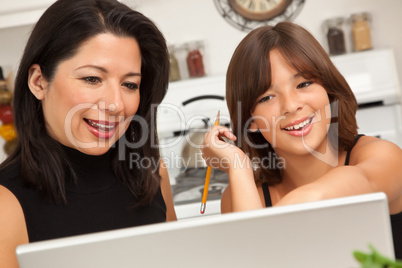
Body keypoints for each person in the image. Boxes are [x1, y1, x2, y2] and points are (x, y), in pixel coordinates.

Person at [202, 22, 402, 258]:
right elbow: (254, 260)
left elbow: (316, 199)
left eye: (304, 84)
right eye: (267, 97)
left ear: (328, 89)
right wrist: (239, 165)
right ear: (251, 120)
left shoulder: (385, 157)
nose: (291, 105)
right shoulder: (242, 195)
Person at [0, 0, 177, 266]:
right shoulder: (6, 203)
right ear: (38, 82)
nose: (116, 104)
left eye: (130, 84)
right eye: (92, 79)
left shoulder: (151, 174)